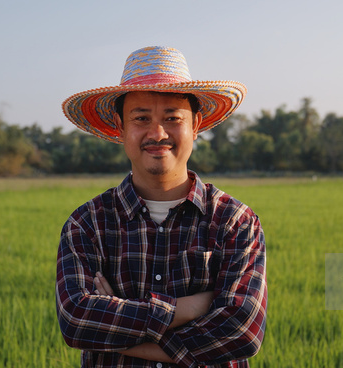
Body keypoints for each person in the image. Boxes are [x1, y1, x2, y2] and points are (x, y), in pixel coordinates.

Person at [56, 46, 267, 368]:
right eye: (141, 118)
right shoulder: (88, 224)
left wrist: (119, 328)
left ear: (195, 125)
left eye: (172, 118)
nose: (158, 133)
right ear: (120, 126)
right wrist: (192, 308)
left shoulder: (234, 221)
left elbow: (241, 331)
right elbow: (76, 321)